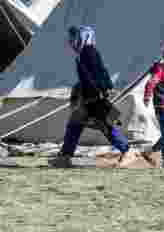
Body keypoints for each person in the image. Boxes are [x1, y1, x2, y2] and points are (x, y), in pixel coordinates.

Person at [49, 26, 131, 167]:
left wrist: (104, 89)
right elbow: (97, 72)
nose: (72, 41)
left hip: (94, 97)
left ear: (84, 38)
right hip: (87, 96)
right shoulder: (85, 52)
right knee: (74, 124)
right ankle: (65, 157)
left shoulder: (88, 52)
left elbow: (99, 72)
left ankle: (128, 152)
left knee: (105, 126)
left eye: (76, 38)